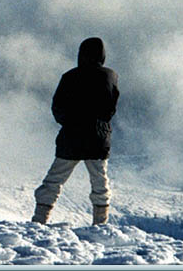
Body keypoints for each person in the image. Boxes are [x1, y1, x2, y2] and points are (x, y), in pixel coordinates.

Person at [31, 37, 120, 226]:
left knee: (54, 180)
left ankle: (39, 221)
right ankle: (100, 224)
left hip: (71, 138)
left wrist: (71, 123)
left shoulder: (69, 76)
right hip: (98, 137)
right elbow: (111, 108)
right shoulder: (110, 76)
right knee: (100, 182)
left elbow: (58, 109)